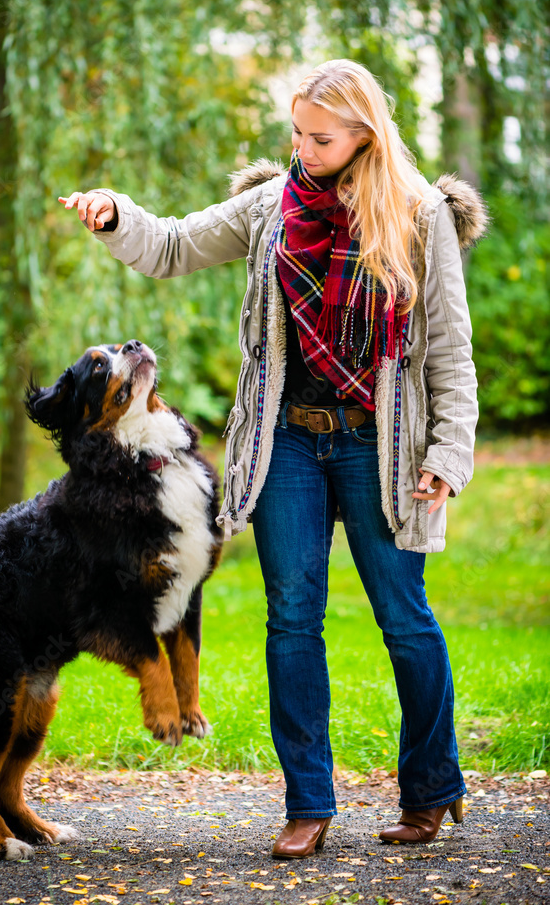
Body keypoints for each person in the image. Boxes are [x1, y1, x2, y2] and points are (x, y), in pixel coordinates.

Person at [59, 58, 487, 858]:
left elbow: (449, 353)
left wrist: (447, 454)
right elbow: (177, 244)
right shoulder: (270, 204)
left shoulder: (419, 212)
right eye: (295, 131)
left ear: (365, 134)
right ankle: (308, 804)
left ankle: (431, 788)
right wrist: (118, 214)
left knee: (403, 617)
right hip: (287, 437)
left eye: (319, 136)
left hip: (381, 444)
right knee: (292, 617)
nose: (302, 147)